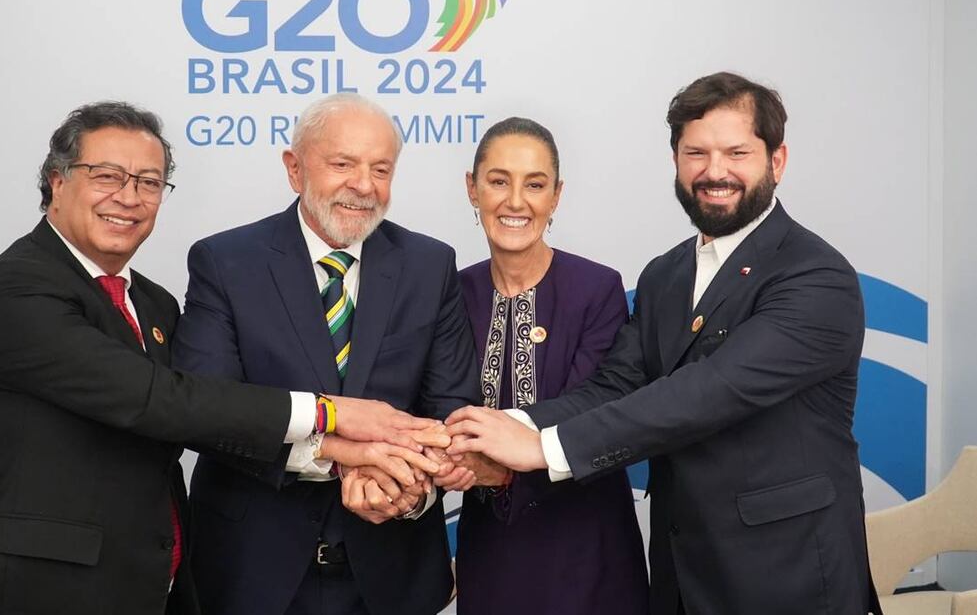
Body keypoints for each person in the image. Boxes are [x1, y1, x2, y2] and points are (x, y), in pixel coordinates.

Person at [0, 101, 428, 615]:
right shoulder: (16, 290)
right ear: (57, 181)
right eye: (107, 176)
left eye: (149, 182)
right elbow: (160, 400)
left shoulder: (150, 302)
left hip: (154, 584)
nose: (128, 197)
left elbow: (206, 413)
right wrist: (333, 413)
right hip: (42, 591)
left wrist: (349, 453)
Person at [447, 73, 883, 615]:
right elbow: (615, 386)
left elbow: (709, 392)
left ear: (777, 161)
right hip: (681, 574)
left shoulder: (816, 277)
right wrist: (513, 426)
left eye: (736, 152)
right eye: (695, 152)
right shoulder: (665, 275)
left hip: (786, 576)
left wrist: (541, 448)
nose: (714, 170)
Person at [171, 93, 480, 615]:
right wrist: (337, 455)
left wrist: (408, 491)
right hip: (252, 576)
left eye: (380, 168)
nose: (364, 185)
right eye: (342, 164)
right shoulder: (225, 263)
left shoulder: (430, 265)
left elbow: (450, 408)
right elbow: (209, 411)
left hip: (391, 574)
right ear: (294, 169)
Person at [451, 117, 650, 614]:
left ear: (556, 196)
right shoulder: (452, 293)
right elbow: (441, 404)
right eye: (498, 181)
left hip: (586, 546)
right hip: (489, 547)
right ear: (472, 189)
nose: (515, 201)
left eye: (535, 185)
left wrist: (502, 437)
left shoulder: (597, 288)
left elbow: (600, 406)